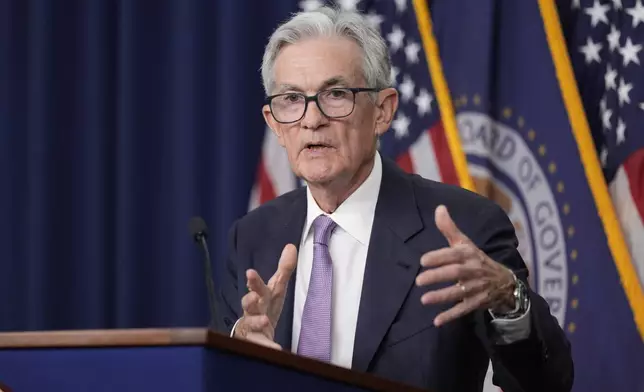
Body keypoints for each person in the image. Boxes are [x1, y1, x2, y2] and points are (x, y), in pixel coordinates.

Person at [214, 6, 573, 392]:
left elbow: (547, 384)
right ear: (274, 124)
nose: (311, 119)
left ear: (383, 111)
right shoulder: (251, 237)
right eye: (291, 99)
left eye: (336, 94)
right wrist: (238, 346)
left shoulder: (466, 225)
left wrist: (509, 301)